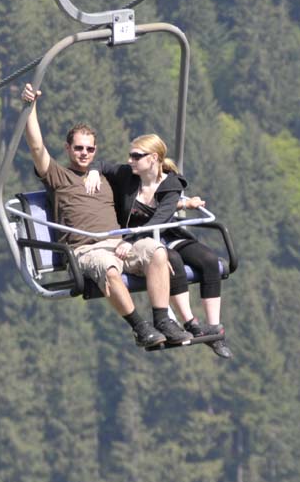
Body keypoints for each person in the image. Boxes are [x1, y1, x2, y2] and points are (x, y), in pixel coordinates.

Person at [20, 83, 192, 349]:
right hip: (85, 249)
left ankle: (162, 320)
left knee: (157, 250)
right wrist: (29, 108)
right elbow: (36, 147)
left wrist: (180, 203)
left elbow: (147, 189)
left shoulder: (105, 177)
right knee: (109, 269)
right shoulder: (57, 176)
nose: (84, 154)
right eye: (78, 148)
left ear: (95, 151)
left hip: (120, 243)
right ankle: (140, 326)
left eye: (89, 149)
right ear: (68, 148)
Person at [86, 134, 233, 359]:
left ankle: (214, 328)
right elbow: (103, 164)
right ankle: (190, 322)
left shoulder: (171, 184)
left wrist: (131, 240)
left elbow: (161, 219)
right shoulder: (128, 175)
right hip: (142, 243)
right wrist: (94, 171)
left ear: (153, 158)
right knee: (170, 259)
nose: (130, 160)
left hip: (164, 233)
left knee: (210, 261)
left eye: (136, 156)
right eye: (130, 155)